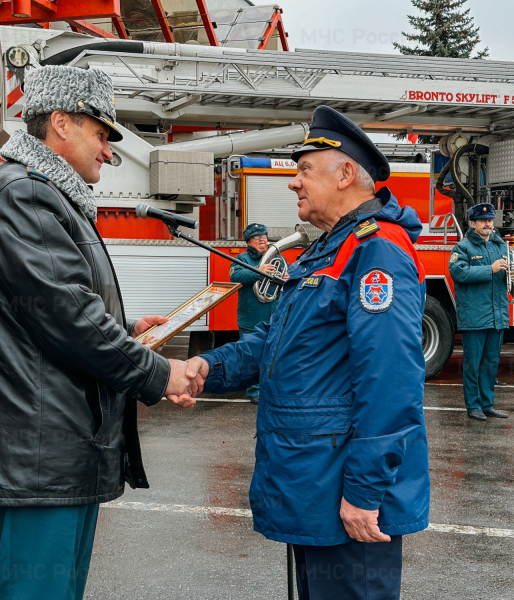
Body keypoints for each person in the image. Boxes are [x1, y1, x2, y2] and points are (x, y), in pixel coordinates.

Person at [0, 65, 198, 600]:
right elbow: (68, 319)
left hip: (58, 447)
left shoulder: (46, 195)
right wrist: (160, 372)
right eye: (101, 133)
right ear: (61, 124)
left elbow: (55, 311)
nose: (109, 150)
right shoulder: (24, 196)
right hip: (43, 452)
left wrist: (130, 331)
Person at [186, 105, 430, 600]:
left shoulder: (375, 249)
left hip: (345, 493)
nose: (293, 183)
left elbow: (390, 381)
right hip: (316, 482)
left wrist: (364, 493)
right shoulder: (328, 248)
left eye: (303, 171)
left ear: (345, 174)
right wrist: (205, 367)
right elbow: (275, 340)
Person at [448, 203, 514, 421]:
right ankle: (473, 406)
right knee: (473, 365)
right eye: (483, 221)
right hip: (475, 316)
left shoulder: (501, 247)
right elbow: (458, 273)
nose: (488, 224)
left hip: (497, 316)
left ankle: (487, 404)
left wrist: (513, 271)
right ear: (473, 223)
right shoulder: (463, 248)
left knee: (490, 364)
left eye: (490, 220)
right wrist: (490, 269)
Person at [229, 222, 284, 403]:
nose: (263, 240)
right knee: (251, 353)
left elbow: (287, 273)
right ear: (249, 241)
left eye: (264, 236)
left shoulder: (275, 257)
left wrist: (287, 277)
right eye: (257, 237)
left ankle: (270, 387)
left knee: (273, 352)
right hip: (250, 316)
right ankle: (254, 391)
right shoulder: (242, 259)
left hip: (273, 313)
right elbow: (236, 277)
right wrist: (258, 271)